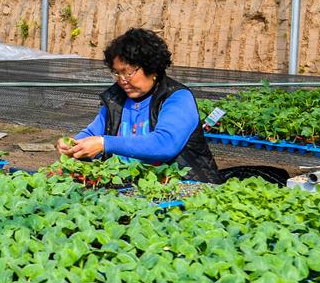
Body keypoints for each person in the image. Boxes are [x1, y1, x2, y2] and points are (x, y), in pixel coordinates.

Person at [60, 27, 221, 183]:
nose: (122, 80)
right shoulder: (117, 99)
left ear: (152, 69)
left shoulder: (177, 98)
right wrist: (73, 145)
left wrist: (105, 143)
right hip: (129, 189)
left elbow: (164, 144)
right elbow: (93, 133)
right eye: (117, 73)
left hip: (183, 189)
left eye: (128, 72)